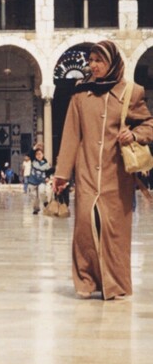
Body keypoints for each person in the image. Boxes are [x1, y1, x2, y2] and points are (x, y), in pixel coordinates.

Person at [53, 40, 153, 300]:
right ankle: (86, 281)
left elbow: (149, 126)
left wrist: (133, 134)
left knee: (114, 229)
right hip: (86, 171)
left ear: (113, 63)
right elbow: (71, 135)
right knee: (85, 226)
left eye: (99, 61)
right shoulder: (80, 94)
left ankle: (116, 285)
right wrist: (62, 173)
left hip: (116, 174)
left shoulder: (131, 92)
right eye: (91, 60)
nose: (93, 66)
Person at [29, 147, 51, 215]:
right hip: (33, 181)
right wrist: (35, 147)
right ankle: (36, 209)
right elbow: (30, 153)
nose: (39, 156)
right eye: (37, 154)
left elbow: (49, 172)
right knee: (34, 196)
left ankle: (45, 202)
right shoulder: (33, 161)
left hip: (42, 180)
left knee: (41, 192)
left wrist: (47, 177)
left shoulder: (46, 164)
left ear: (43, 155)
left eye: (40, 154)